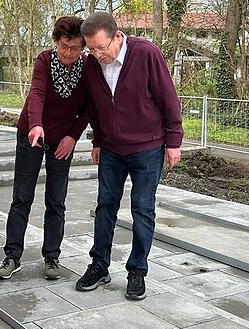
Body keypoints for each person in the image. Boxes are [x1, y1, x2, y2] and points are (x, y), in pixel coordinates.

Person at [75, 12, 183, 300]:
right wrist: (97, 139)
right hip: (111, 148)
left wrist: (173, 141)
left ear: (118, 36)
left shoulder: (146, 54)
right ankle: (99, 265)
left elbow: (169, 99)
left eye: (102, 47)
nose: (98, 54)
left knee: (142, 209)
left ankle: (137, 271)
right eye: (92, 49)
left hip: (147, 148)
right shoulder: (92, 64)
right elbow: (94, 106)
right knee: (105, 206)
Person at [0, 16, 89, 281]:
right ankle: (12, 255)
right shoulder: (44, 60)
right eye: (64, 46)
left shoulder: (89, 66)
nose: (69, 53)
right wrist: (36, 125)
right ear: (56, 42)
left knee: (56, 200)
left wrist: (72, 136)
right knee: (22, 197)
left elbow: (88, 109)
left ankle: (52, 256)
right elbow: (36, 93)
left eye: (75, 47)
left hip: (62, 141)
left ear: (83, 46)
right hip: (31, 135)